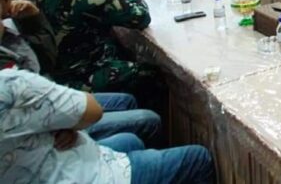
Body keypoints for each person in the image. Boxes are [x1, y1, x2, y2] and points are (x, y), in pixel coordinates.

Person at [0, 0, 162, 147]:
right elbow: (141, 17)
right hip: (47, 126)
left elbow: (46, 58)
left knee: (126, 101)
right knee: (148, 105)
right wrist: (58, 125)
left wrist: (35, 17)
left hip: (51, 91)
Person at [0, 68, 214, 183]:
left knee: (131, 140)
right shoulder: (9, 85)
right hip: (75, 174)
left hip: (45, 161)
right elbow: (92, 111)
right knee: (198, 158)